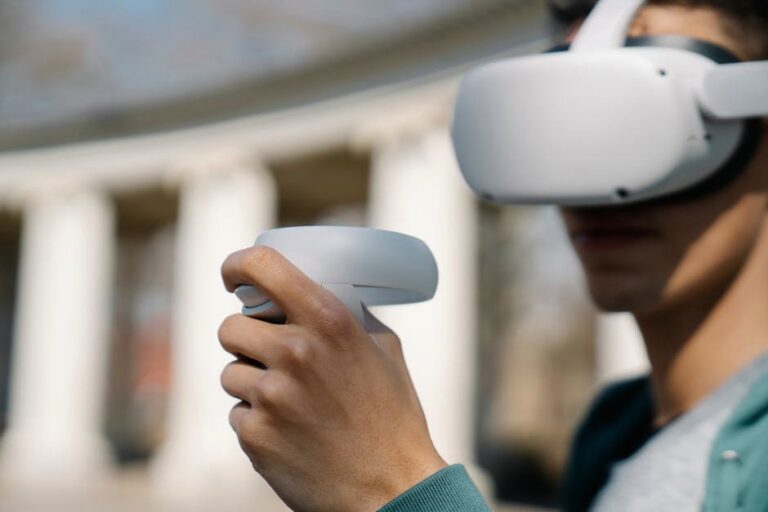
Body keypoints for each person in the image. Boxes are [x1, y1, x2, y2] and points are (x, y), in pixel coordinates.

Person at [217, 1, 768, 510]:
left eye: (644, 122)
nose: (596, 191)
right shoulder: (611, 429)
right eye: (566, 125)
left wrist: (391, 488)